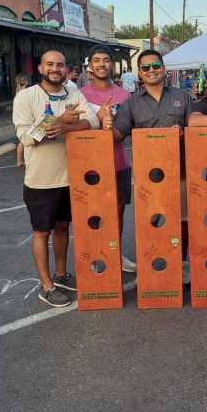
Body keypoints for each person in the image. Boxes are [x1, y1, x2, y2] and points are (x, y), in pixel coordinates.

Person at [13, 50, 101, 308]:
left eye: (60, 65)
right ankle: (47, 286)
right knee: (42, 232)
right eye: (50, 64)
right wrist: (59, 120)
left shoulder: (73, 93)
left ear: (66, 69)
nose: (55, 69)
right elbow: (27, 138)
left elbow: (93, 120)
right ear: (40, 68)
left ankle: (62, 275)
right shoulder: (26, 97)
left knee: (63, 227)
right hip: (41, 181)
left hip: (71, 178)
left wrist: (65, 128)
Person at [111, 49, 193, 282]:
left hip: (182, 171)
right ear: (139, 73)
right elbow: (118, 133)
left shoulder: (183, 97)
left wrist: (184, 133)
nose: (151, 71)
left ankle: (182, 262)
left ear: (163, 69)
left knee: (183, 220)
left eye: (155, 66)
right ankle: (156, 261)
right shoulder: (131, 103)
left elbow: (196, 129)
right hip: (150, 177)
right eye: (146, 68)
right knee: (153, 221)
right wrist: (107, 124)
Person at [81, 45, 136, 274]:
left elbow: (133, 127)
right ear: (90, 65)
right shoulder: (80, 94)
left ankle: (115, 253)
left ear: (111, 65)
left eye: (106, 60)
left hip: (118, 163)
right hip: (90, 167)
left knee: (118, 212)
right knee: (93, 213)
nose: (101, 64)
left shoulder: (124, 95)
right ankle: (96, 255)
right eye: (97, 60)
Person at [14, 73, 30, 167]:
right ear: (26, 82)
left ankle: (19, 160)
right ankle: (19, 161)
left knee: (22, 140)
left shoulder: (18, 91)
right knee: (23, 141)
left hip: (19, 118)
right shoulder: (25, 92)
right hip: (24, 118)